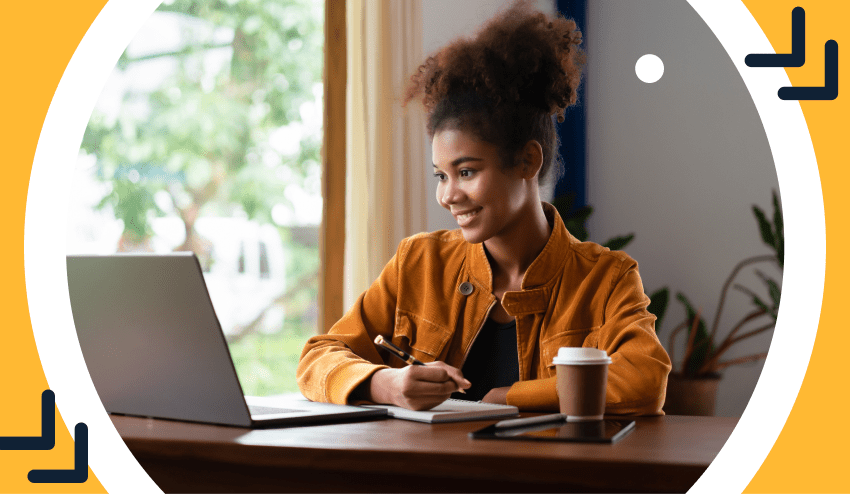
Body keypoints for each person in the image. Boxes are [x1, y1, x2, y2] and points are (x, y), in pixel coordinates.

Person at [297, 1, 671, 413]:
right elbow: (319, 357)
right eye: (441, 175)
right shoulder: (419, 263)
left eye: (467, 172)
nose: (447, 195)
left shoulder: (605, 280)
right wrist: (385, 383)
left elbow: (643, 379)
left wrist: (506, 398)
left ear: (528, 161)